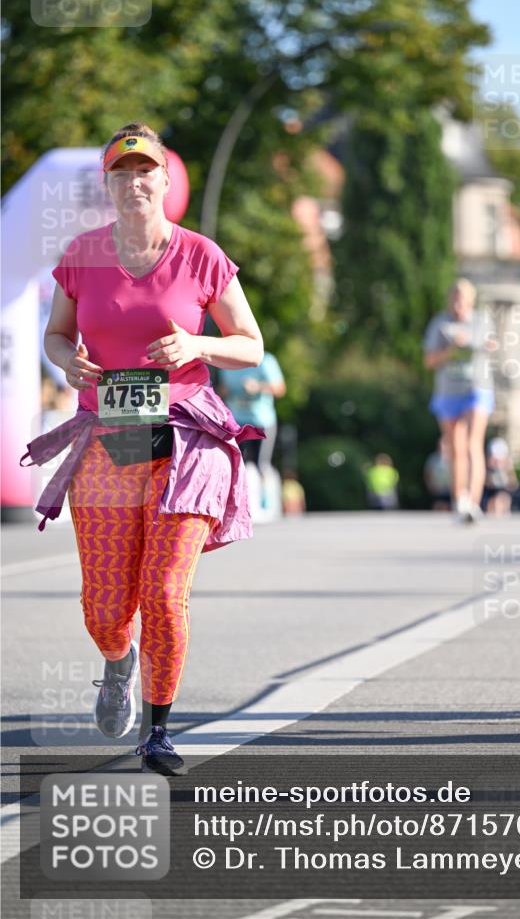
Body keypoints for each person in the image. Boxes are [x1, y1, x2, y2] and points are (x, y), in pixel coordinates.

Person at [21, 123, 264, 775]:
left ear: (165, 178)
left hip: (182, 436)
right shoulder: (83, 256)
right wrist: (65, 364)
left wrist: (199, 345)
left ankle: (158, 729)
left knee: (162, 593)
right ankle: (117, 661)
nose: (134, 182)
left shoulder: (201, 256)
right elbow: (56, 335)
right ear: (108, 184)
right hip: (106, 437)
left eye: (145, 170)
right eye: (122, 173)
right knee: (105, 606)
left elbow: (250, 344)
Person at [423, 278, 496, 522]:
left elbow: (492, 345)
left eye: (463, 299)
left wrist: (483, 344)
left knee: (473, 442)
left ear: (471, 300)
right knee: (456, 447)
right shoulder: (440, 324)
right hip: (448, 391)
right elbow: (429, 361)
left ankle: (473, 503)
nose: (458, 304)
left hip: (477, 387)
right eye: (454, 298)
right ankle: (459, 501)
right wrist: (452, 349)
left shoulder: (481, 321)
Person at [218, 352, 286, 506]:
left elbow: (280, 388)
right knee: (235, 462)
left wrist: (259, 387)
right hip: (237, 422)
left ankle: (265, 500)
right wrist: (226, 392)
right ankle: (234, 499)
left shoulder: (266, 360)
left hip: (262, 421)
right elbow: (222, 389)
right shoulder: (227, 360)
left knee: (261, 462)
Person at [482, 437, 517, 516]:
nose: (497, 463)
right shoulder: (484, 470)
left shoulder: (509, 469)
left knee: (503, 497)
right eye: (494, 460)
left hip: (503, 492)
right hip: (489, 493)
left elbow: (514, 485)